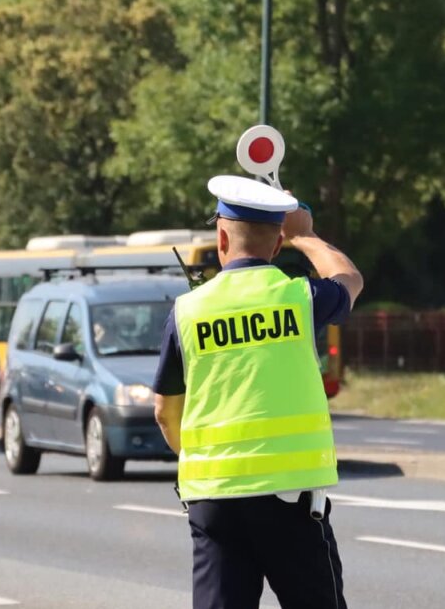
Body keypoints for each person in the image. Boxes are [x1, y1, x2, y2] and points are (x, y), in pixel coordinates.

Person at [154, 175, 364, 609]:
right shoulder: (299, 298)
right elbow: (350, 279)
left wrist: (199, 459)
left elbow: (163, 412)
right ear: (275, 245)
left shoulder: (186, 312)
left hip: (213, 499)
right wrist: (305, 237)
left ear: (221, 237)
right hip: (288, 500)